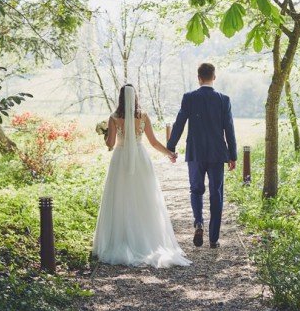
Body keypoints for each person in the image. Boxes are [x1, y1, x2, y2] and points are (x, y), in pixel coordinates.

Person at [92, 84, 191, 267]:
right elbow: (153, 142)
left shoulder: (114, 118)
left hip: (120, 160)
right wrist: (169, 153)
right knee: (145, 199)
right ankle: (146, 240)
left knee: (120, 198)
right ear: (135, 97)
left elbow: (111, 144)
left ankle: (120, 239)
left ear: (121, 97)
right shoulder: (143, 116)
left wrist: (106, 135)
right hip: (140, 158)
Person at [166, 62, 237, 249]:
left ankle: (198, 222)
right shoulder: (224, 99)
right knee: (216, 194)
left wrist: (170, 147)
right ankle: (213, 239)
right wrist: (233, 155)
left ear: (199, 78)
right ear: (214, 77)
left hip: (195, 152)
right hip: (217, 154)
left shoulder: (189, 98)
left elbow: (179, 123)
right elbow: (229, 129)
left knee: (196, 190)